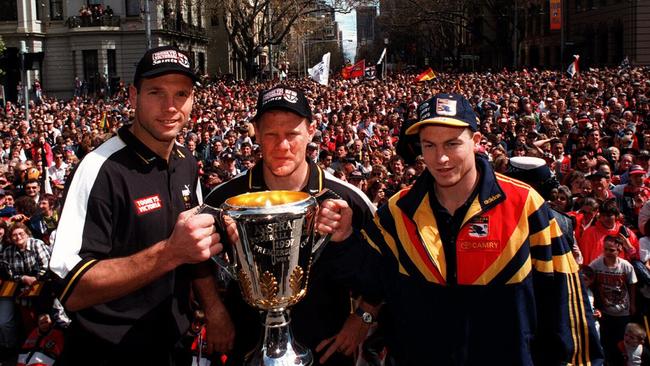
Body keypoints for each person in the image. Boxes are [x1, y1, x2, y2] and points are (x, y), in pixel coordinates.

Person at [354, 93, 603, 365]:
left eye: (452, 144)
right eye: (429, 145)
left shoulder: (525, 205)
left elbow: (565, 304)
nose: (441, 158)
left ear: (476, 142)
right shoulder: (397, 211)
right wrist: (344, 236)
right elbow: (367, 281)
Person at [48, 45, 225, 364]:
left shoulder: (187, 162)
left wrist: (214, 309)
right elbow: (72, 289)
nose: (170, 106)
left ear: (192, 101)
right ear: (133, 96)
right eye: (156, 92)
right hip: (108, 353)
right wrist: (169, 253)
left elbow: (195, 250)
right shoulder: (98, 168)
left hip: (174, 345)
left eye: (181, 94)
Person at [204, 85, 377, 366]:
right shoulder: (225, 199)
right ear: (256, 133)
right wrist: (214, 310)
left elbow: (380, 271)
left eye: (292, 135)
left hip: (325, 348)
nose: (282, 146)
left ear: (311, 131)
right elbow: (199, 260)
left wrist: (363, 318)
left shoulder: (348, 199)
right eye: (271, 134)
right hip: (248, 345)